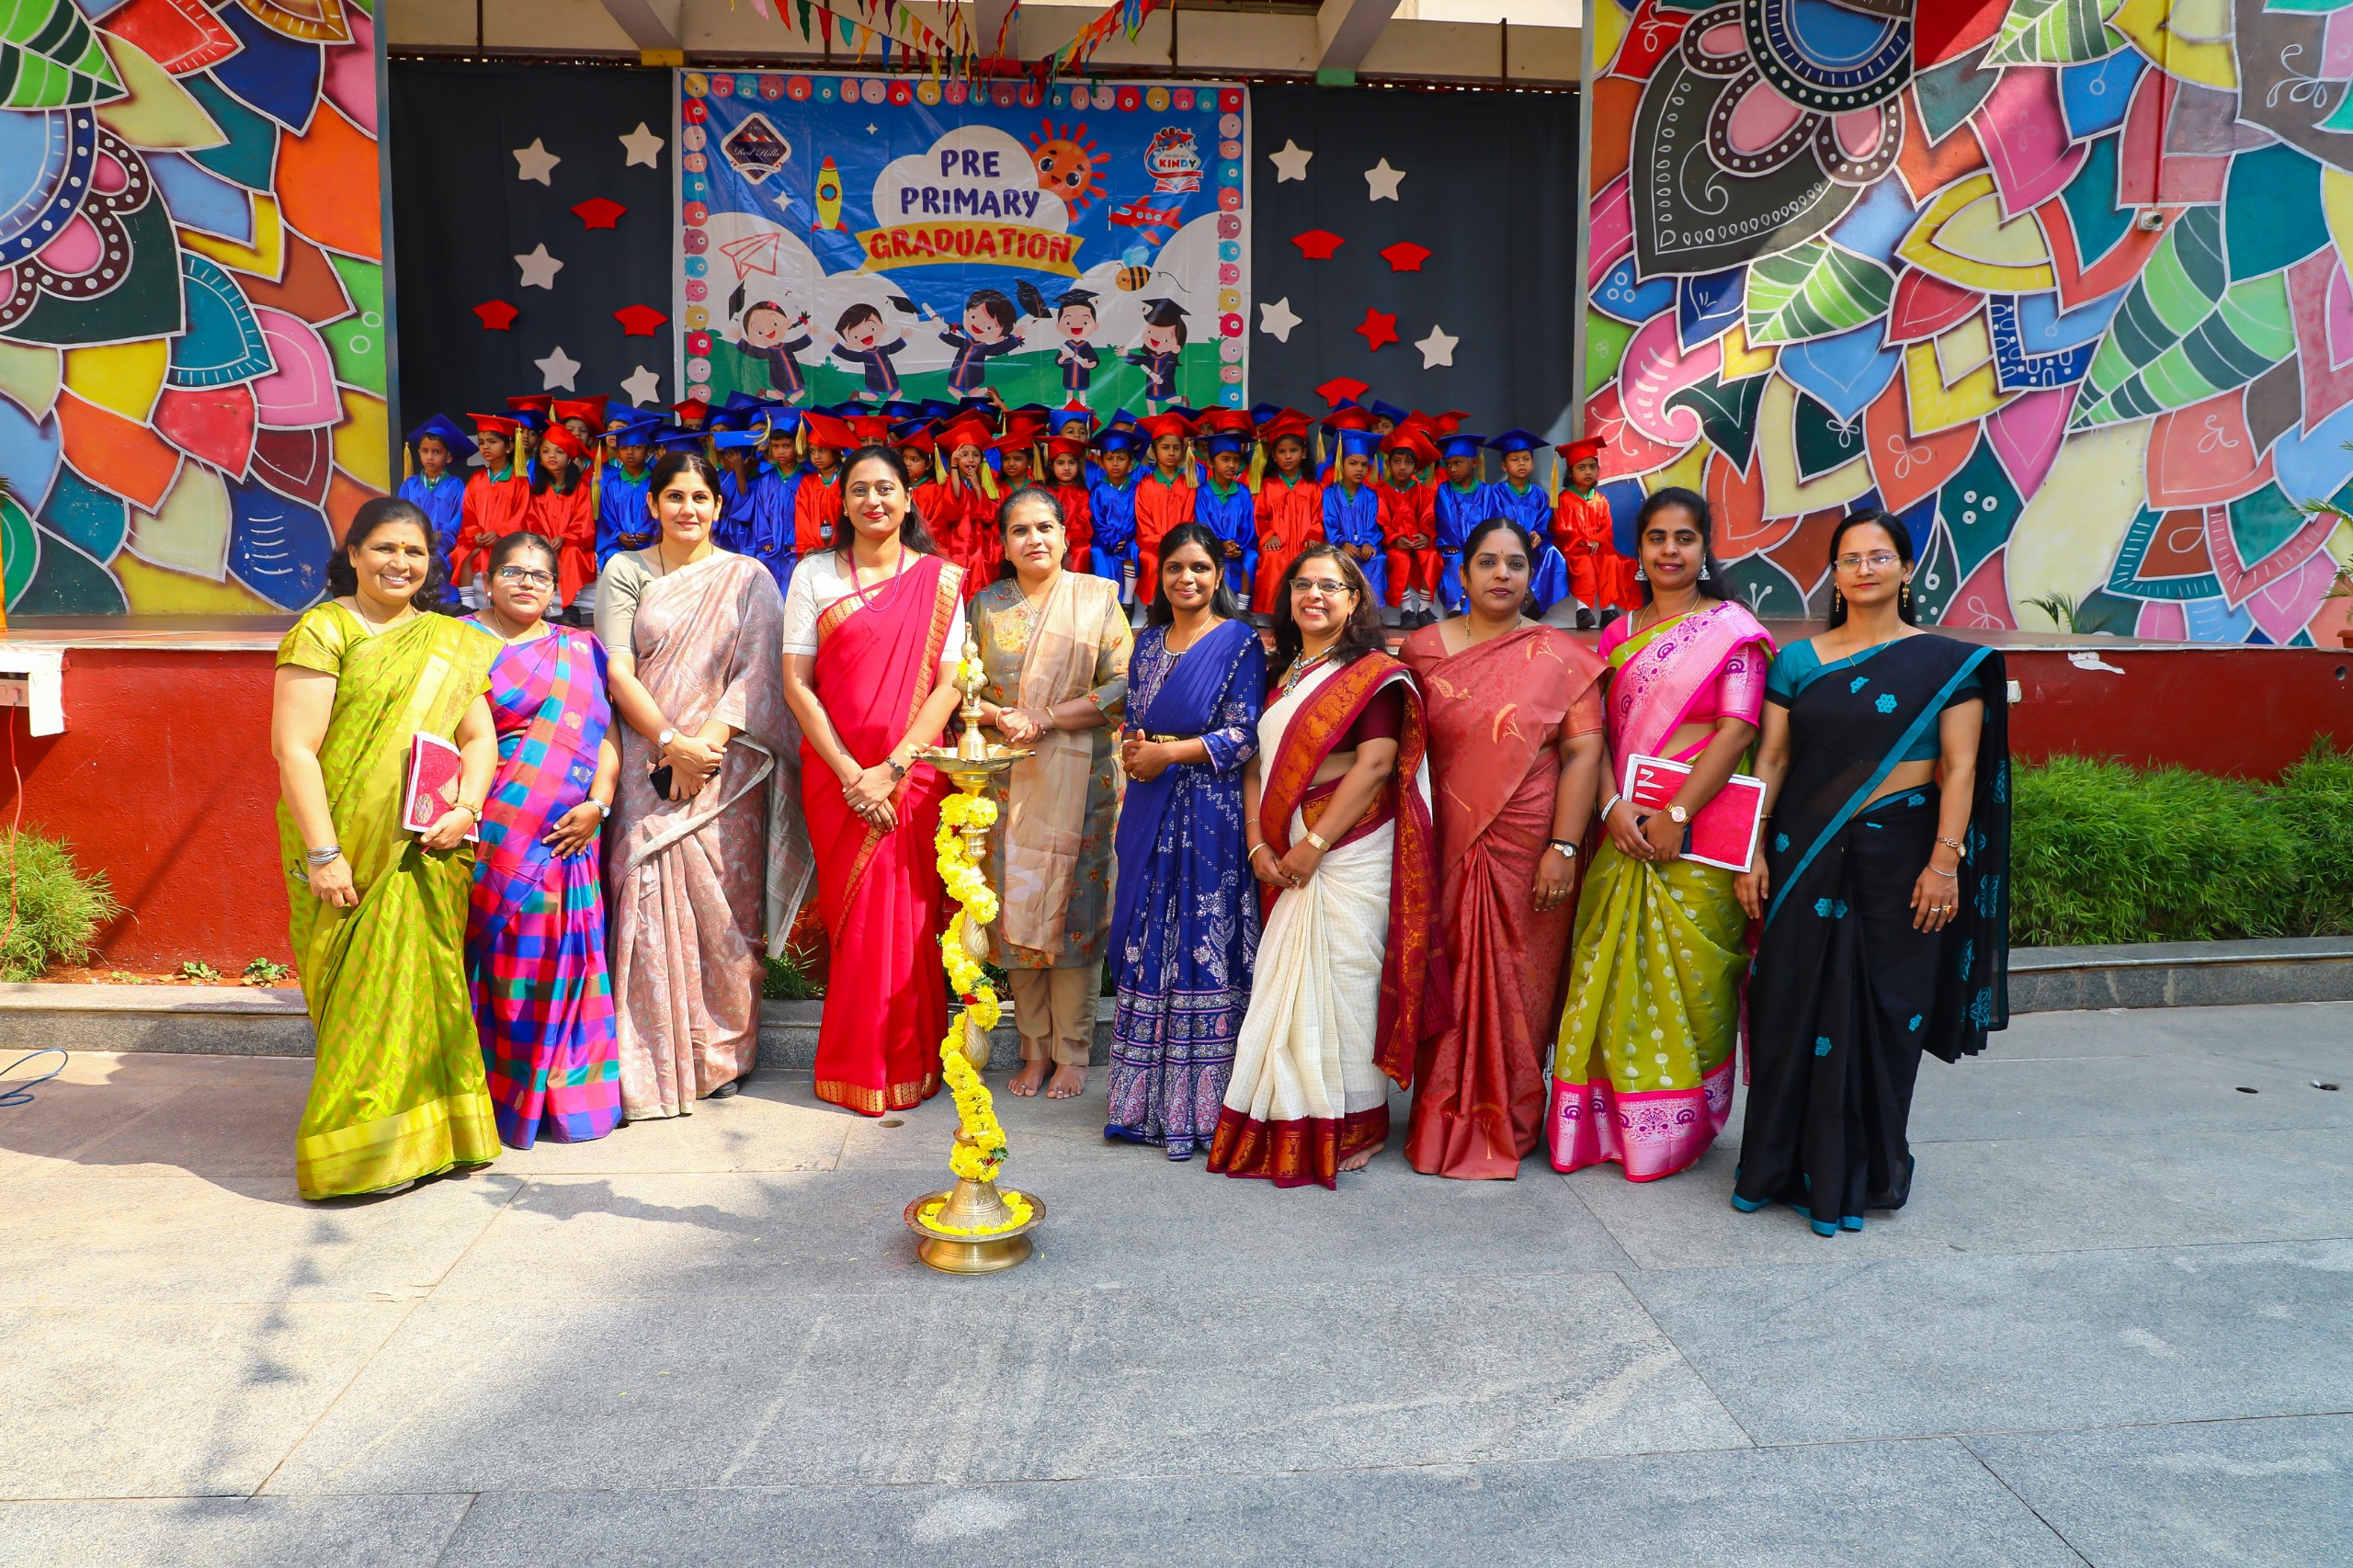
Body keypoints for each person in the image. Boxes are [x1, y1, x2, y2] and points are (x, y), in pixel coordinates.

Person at [1733, 508, 2008, 1234]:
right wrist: (1751, 849)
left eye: (1879, 556)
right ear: (1835, 574)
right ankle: (1775, 1168)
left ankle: (1861, 1172)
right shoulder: (1798, 661)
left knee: (1888, 1011)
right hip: (1803, 854)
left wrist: (1944, 863)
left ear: (1907, 569)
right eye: (1850, 559)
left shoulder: (1946, 664)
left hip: (1904, 860)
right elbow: (1771, 759)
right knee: (1788, 1006)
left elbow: (1961, 769)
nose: (1864, 569)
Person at [270, 498, 500, 1199]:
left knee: (429, 993)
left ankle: (441, 1140)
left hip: (428, 852)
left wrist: (466, 808)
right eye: (385, 548)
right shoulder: (325, 629)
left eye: (414, 551)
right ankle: (358, 1157)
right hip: (348, 851)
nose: (400, 563)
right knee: (360, 1003)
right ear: (354, 554)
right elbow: (294, 750)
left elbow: (478, 739)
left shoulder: (448, 640)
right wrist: (324, 853)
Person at [1550, 486, 1775, 1182]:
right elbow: (1597, 735)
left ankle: (1675, 1130)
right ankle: (1603, 1125)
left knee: (1692, 984)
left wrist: (1675, 815)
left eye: (1684, 538)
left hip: (1700, 839)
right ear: (1639, 550)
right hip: (1622, 833)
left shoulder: (1732, 631)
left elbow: (1736, 731)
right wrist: (1612, 807)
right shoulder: (1618, 634)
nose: (1670, 551)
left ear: (1705, 548)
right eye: (1657, 538)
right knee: (1608, 976)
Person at [1209, 543, 1447, 1188]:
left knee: (1347, 983)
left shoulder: (1371, 673)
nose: (1313, 595)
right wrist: (1258, 843)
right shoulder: (1278, 673)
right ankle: (1295, 1111)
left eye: (1329, 586)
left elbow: (1377, 764)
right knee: (1290, 984)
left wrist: (1314, 844)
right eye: (1302, 584)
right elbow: (1256, 764)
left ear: (1354, 599)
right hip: (1283, 851)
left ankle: (1360, 1121)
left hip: (1349, 850)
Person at [596, 451, 806, 1119]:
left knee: (726, 911)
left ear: (718, 506)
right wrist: (671, 744)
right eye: (675, 496)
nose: (688, 509)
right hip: (647, 761)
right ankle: (651, 1060)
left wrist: (702, 749)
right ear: (652, 504)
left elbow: (759, 673)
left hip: (727, 770)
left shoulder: (748, 578)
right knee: (645, 894)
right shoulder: (625, 571)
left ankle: (720, 1057)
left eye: (700, 498)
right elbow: (618, 671)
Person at [1399, 520, 1607, 1179]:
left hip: (1530, 843)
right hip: (1445, 844)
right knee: (1449, 973)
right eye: (1487, 562)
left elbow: (1583, 754)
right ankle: (1439, 1117)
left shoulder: (1561, 655)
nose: (1501, 575)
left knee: (1521, 985)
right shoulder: (1423, 649)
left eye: (1515, 564)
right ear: (1462, 575)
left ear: (1531, 574)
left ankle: (1510, 1120)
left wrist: (1564, 847)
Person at [780, 445, 969, 1116]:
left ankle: (912, 1063)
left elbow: (949, 685)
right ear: (843, 502)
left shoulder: (940, 581)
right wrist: (852, 776)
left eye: (886, 488)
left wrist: (891, 769)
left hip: (911, 776)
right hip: (836, 778)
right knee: (856, 922)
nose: (873, 501)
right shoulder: (812, 574)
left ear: (909, 499)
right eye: (859, 489)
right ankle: (853, 1066)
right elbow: (797, 684)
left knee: (908, 922)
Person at [970, 486, 1133, 1096]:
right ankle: (1034, 1049)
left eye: (1045, 527)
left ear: (1066, 536)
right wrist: (999, 716)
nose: (1034, 539)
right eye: (1020, 530)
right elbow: (960, 684)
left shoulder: (1097, 598)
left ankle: (1074, 1052)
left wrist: (1047, 717)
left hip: (1082, 776)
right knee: (1016, 911)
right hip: (1008, 778)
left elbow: (1123, 683)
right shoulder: (986, 606)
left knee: (1075, 914)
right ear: (1004, 544)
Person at [1108, 523, 1265, 1157]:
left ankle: (1202, 1105)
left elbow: (1245, 734)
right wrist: (1135, 749)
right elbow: (1135, 719)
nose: (1187, 578)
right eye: (1175, 567)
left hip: (1209, 818)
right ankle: (1140, 1104)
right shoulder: (1147, 643)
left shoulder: (1238, 641)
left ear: (1218, 576)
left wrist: (1169, 754)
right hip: (1150, 805)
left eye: (1199, 567)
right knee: (1149, 937)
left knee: (1202, 941)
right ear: (1160, 575)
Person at [464, 531, 623, 1148]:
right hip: (489, 832)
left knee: (566, 959)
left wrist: (598, 805)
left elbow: (606, 736)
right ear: (487, 580)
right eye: (513, 571)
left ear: (556, 589)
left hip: (569, 836)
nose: (526, 583)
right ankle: (492, 1096)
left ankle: (565, 1099)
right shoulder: (456, 642)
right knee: (502, 964)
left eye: (539, 575)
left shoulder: (581, 649)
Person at [1481, 431, 1574, 616]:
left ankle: (1537, 605)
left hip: (1532, 546)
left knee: (1551, 553)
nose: (1521, 463)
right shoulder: (1494, 493)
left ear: (1533, 464)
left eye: (1526, 459)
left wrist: (1539, 534)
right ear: (1504, 466)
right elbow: (1490, 520)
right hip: (1504, 544)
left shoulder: (1539, 494)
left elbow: (1544, 521)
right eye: (1515, 459)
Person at [1553, 437, 1638, 630]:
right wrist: (1582, 541)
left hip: (1598, 548)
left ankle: (1608, 610)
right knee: (1583, 563)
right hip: (1575, 548)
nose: (1588, 472)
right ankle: (1583, 610)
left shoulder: (1600, 501)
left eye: (1592, 467)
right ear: (1571, 472)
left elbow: (1606, 528)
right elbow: (1560, 528)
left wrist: (1597, 541)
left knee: (1610, 560)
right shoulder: (1563, 500)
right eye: (1581, 467)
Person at [452, 414, 531, 609]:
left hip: (506, 539)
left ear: (509, 447)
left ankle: (498, 600)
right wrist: (475, 532)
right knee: (462, 553)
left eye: (492, 442)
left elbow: (521, 513)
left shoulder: (519, 479)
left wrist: (499, 534)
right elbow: (468, 511)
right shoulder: (477, 478)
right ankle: (468, 603)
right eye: (481, 442)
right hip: (479, 539)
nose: (485, 446)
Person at [525, 424, 598, 620]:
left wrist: (564, 537)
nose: (552, 456)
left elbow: (584, 523)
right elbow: (531, 519)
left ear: (570, 458)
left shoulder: (581, 489)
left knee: (571, 553)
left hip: (573, 545)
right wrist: (541, 537)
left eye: (559, 451)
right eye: (546, 451)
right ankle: (540, 603)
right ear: (539, 458)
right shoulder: (536, 491)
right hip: (544, 543)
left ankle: (571, 607)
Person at [1251, 415, 1323, 619]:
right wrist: (1269, 535)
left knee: (1309, 560)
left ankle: (1304, 609)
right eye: (1282, 452)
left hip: (1303, 542)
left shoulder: (1313, 487)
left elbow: (1319, 517)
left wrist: (1313, 535)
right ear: (1274, 455)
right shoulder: (1268, 486)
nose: (1288, 456)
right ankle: (1275, 612)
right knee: (1272, 558)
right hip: (1278, 543)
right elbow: (1260, 516)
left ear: (1304, 453)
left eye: (1294, 450)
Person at [1376, 427, 1440, 628]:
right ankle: (1407, 611)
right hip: (1395, 544)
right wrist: (1395, 538)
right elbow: (1382, 521)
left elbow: (1428, 517)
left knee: (1431, 555)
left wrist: (1426, 536)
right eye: (1397, 462)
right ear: (1388, 464)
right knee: (1398, 558)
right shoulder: (1381, 491)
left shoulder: (1422, 491)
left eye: (1408, 463)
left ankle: (1424, 609)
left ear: (1415, 466)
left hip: (1418, 541)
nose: (1402, 467)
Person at [399, 416, 472, 579]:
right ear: (419, 453)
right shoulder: (409, 485)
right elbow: (401, 516)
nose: (430, 457)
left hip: (442, 550)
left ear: (448, 457)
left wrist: (442, 535)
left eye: (436, 452)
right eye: (425, 451)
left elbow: (458, 519)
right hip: (412, 547)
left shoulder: (455, 485)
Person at [1321, 427, 1387, 607]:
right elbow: (1330, 524)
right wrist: (1343, 543)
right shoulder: (1330, 493)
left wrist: (1368, 542)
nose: (1359, 469)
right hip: (1340, 548)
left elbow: (1373, 525)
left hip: (1364, 549)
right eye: (1353, 463)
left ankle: (1371, 610)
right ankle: (1342, 608)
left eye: (1364, 465)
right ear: (1341, 463)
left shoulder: (1371, 495)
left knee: (1378, 559)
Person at [1193, 429, 1258, 603]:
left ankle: (1242, 605)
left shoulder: (1243, 492)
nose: (1231, 465)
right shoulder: (1203, 492)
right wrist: (1221, 543)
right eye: (1225, 459)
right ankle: (1215, 602)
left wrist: (1238, 545)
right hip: (1212, 547)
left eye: (1236, 460)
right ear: (1211, 463)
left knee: (1251, 556)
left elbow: (1248, 526)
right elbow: (1202, 524)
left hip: (1239, 547)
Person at [1430, 432, 1488, 617]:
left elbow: (1489, 521)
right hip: (1454, 546)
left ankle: (1480, 607)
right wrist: (1452, 542)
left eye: (1457, 463)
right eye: (1448, 464)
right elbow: (1445, 519)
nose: (1452, 469)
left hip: (1481, 546)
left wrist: (1481, 544)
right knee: (1455, 560)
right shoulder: (1445, 490)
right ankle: (1455, 606)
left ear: (1474, 462)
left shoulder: (1486, 491)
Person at [1086, 426, 1142, 601]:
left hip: (1128, 539)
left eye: (1121, 458)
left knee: (1134, 549)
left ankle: (1127, 600)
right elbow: (1097, 521)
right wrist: (1113, 539)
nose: (1115, 463)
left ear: (1131, 463)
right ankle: (1106, 600)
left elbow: (1136, 518)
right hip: (1104, 540)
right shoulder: (1098, 490)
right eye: (1109, 459)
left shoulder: (1136, 489)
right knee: (1097, 552)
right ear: (1102, 463)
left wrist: (1125, 537)